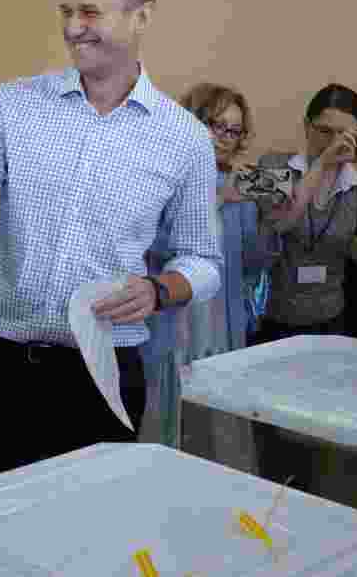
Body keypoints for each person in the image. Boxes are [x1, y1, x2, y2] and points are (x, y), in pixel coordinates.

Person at [0, 0, 222, 486]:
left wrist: (160, 290)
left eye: (90, 13)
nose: (73, 28)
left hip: (101, 375)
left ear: (142, 16)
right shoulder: (15, 103)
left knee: (83, 539)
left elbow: (204, 259)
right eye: (66, 12)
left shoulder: (183, 138)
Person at [139, 83, 270, 447]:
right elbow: (157, 245)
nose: (225, 138)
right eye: (217, 125)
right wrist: (216, 199)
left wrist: (269, 220)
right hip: (175, 321)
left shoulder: (239, 182)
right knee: (169, 418)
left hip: (221, 320)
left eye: (235, 130)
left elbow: (251, 262)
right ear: (193, 122)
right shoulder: (164, 174)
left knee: (220, 427)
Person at [254, 84, 357, 341]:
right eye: (324, 131)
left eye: (342, 133)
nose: (333, 141)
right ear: (307, 126)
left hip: (331, 321)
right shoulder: (273, 166)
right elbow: (281, 221)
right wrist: (322, 164)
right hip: (272, 319)